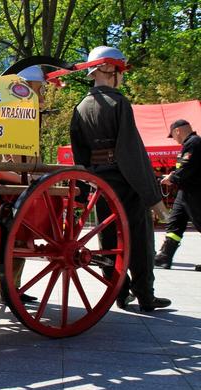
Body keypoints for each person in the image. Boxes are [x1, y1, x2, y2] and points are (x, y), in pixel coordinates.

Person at [69, 45, 171, 312]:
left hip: (99, 184)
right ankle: (145, 296)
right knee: (139, 238)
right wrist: (153, 197)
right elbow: (132, 153)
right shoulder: (119, 103)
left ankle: (118, 292)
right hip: (125, 182)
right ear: (108, 69)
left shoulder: (79, 107)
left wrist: (83, 190)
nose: (122, 76)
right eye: (120, 70)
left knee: (109, 241)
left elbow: (80, 157)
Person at [0, 65, 47, 304]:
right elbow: (12, 164)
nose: (42, 95)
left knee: (17, 241)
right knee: (18, 241)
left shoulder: (15, 117)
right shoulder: (17, 120)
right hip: (17, 190)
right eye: (39, 89)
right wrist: (34, 182)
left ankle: (11, 288)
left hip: (17, 186)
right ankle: (10, 290)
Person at [156, 119, 201, 271]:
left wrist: (173, 178)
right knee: (175, 222)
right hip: (185, 191)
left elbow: (188, 167)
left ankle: (164, 256)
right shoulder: (190, 144)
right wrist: (173, 175)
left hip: (196, 192)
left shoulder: (194, 143)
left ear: (177, 131)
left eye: (173, 136)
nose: (174, 139)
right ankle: (165, 256)